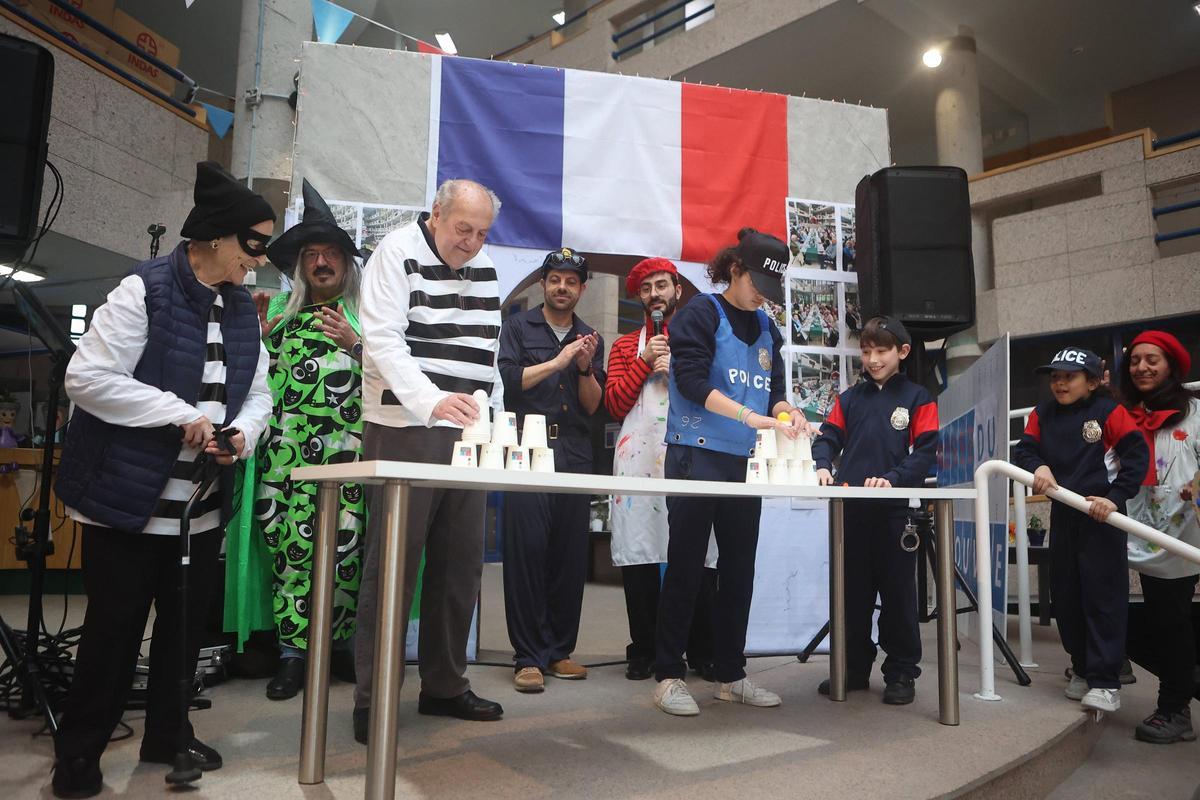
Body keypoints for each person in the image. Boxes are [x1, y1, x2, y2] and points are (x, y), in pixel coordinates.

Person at [50, 161, 274, 798]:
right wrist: (180, 414)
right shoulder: (141, 290)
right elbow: (87, 379)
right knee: (113, 634)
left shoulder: (239, 309)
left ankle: (169, 736)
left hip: (198, 508)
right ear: (214, 237)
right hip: (127, 505)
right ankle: (79, 755)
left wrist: (242, 433)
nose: (260, 259)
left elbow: (258, 393)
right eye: (253, 243)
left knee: (182, 635)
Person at [352, 179, 505, 744]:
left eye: (482, 232)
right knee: (393, 566)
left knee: (460, 566)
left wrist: (491, 418)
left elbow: (488, 353)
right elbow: (383, 342)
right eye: (463, 228)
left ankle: (444, 684)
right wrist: (432, 401)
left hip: (467, 434)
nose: (471, 242)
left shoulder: (486, 267)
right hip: (404, 427)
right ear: (435, 213)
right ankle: (373, 698)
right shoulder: (395, 253)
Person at [224, 179, 367, 701]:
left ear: (346, 263)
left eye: (331, 254)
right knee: (290, 558)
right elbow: (246, 387)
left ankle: (340, 646)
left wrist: (357, 345)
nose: (321, 262)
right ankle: (293, 654)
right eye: (311, 255)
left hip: (349, 462)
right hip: (285, 464)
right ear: (301, 266)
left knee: (347, 557)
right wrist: (255, 342)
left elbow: (397, 383)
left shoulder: (371, 318)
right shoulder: (279, 316)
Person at [653, 228, 804, 716]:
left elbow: (774, 391)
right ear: (735, 269)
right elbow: (690, 381)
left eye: (771, 289)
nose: (763, 296)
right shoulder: (701, 312)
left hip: (742, 460)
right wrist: (748, 415)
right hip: (695, 453)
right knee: (686, 565)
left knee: (739, 567)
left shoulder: (767, 328)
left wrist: (788, 414)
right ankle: (668, 674)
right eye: (757, 283)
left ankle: (730, 673)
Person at [1012, 346, 1148, 714]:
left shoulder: (1108, 411)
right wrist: (1039, 467)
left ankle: (1106, 681)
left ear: (1091, 382)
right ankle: (1083, 668)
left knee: (1102, 598)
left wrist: (1115, 498)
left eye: (1069, 377)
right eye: (1055, 377)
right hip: (1064, 513)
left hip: (1102, 517)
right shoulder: (1042, 413)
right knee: (1066, 595)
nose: (1059, 383)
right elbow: (1025, 451)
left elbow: (1137, 456)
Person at [811, 316, 938, 705]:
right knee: (852, 594)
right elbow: (827, 437)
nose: (873, 359)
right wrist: (822, 464)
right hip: (850, 510)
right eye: (866, 351)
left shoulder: (919, 397)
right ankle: (852, 669)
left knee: (899, 595)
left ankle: (901, 673)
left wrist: (893, 479)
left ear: (903, 351)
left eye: (882, 351)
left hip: (897, 513)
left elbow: (926, 452)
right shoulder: (850, 398)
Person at [497, 247, 606, 694]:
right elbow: (509, 382)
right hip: (529, 448)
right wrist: (558, 362)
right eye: (555, 279)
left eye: (571, 281)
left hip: (574, 454)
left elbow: (593, 405)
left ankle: (559, 651)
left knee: (568, 555)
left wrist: (583, 369)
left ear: (582, 289)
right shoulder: (517, 326)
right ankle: (527, 657)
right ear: (543, 284)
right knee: (526, 551)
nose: (563, 287)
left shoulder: (590, 337)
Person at [604, 258, 717, 682]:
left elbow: (715, 397)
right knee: (640, 552)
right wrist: (643, 362)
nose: (655, 294)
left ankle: (702, 648)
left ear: (677, 291)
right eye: (647, 287)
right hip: (638, 457)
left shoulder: (700, 340)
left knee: (697, 550)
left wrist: (679, 374)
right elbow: (614, 404)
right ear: (640, 297)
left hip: (689, 453)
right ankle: (644, 650)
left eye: (662, 285)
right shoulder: (623, 346)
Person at [1120, 330, 1200, 742]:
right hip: (1134, 531)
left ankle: (1175, 708)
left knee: (1171, 621)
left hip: (1181, 536)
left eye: (1152, 359)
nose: (1142, 367)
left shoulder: (1196, 413)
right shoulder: (1124, 414)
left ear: (1171, 365)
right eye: (1135, 360)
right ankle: (1112, 664)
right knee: (1145, 618)